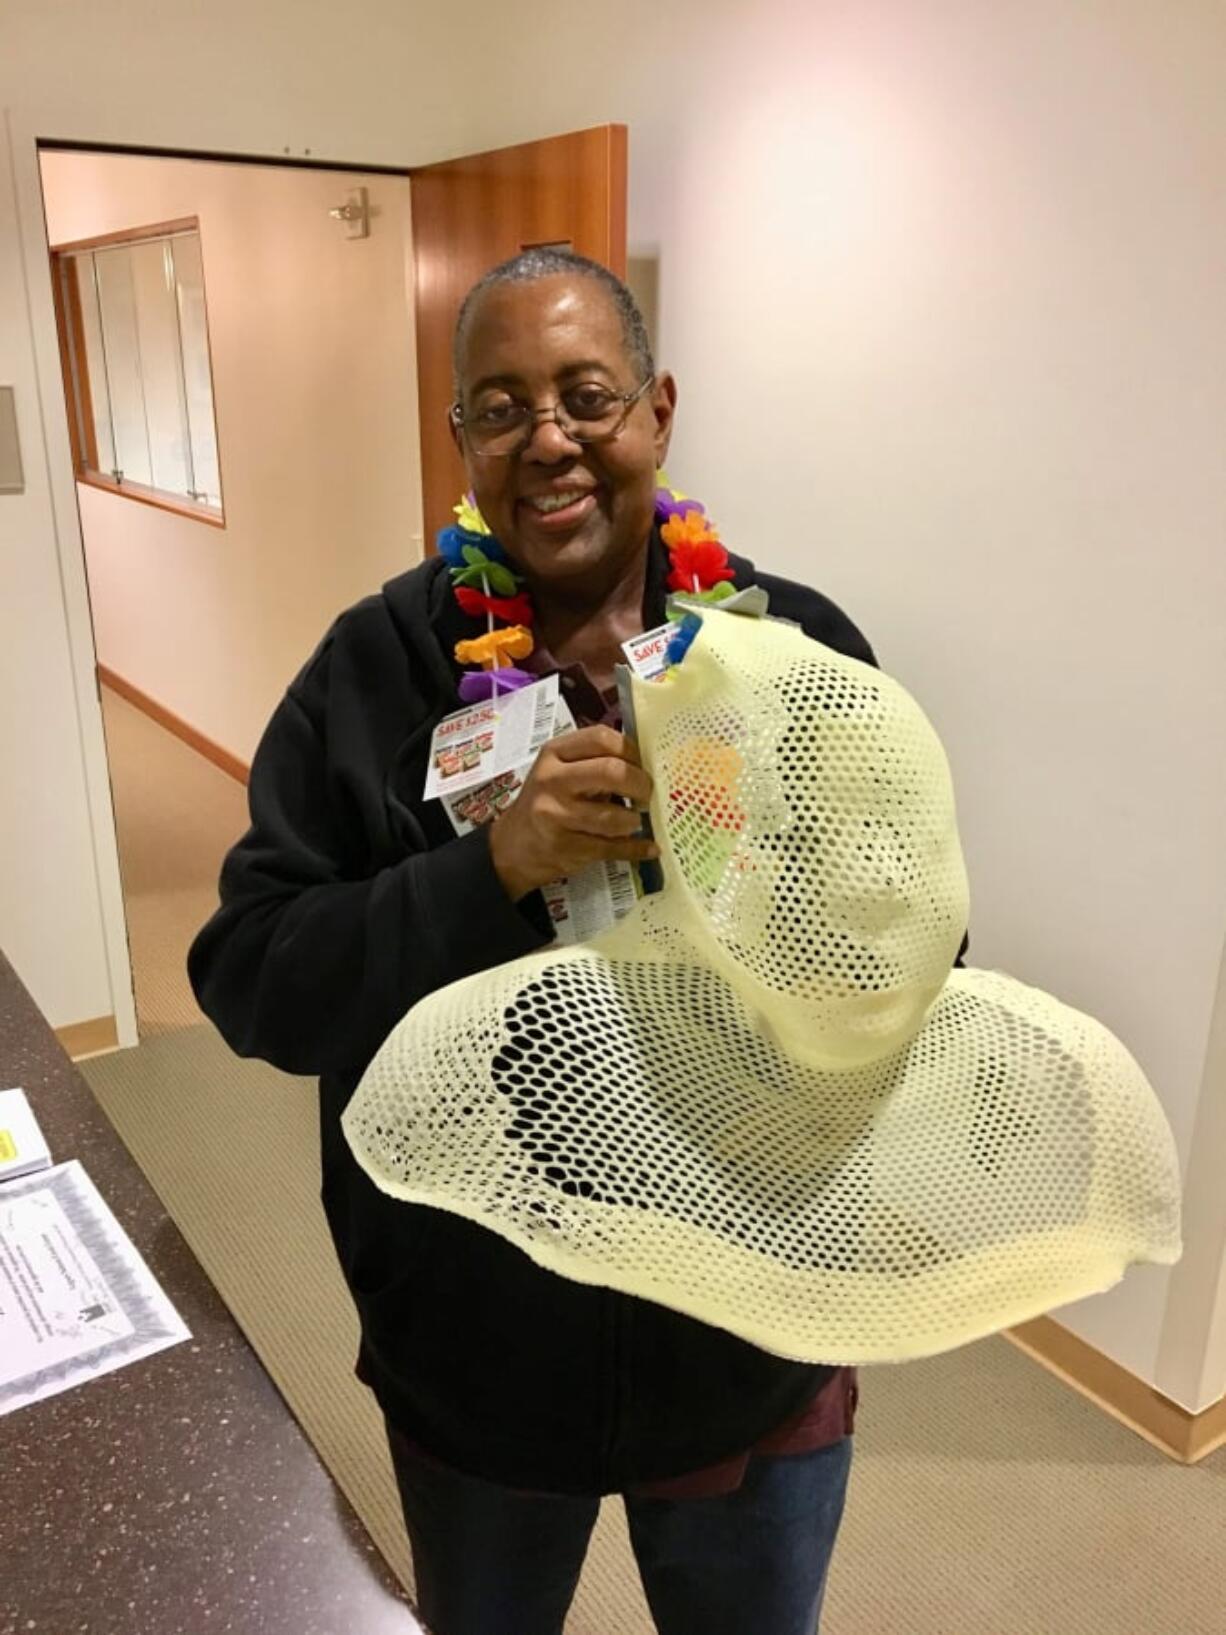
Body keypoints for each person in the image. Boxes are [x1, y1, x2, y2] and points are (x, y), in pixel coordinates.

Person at [190, 249, 957, 1635]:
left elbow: (920, 961)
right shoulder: (374, 672)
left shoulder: (796, 652)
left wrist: (775, 898)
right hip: (478, 1351)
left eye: (586, 396)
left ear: (656, 411)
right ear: (461, 441)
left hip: (751, 1337)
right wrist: (489, 866)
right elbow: (252, 981)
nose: (547, 439)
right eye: (500, 405)